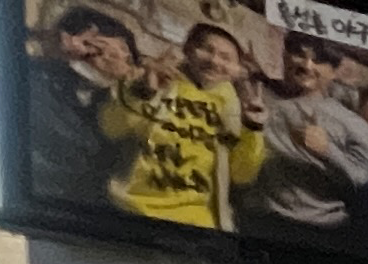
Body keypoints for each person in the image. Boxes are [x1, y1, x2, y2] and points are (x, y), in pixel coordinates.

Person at [102, 22, 266, 230]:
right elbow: (111, 129)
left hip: (200, 223)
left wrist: (252, 128)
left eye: (226, 58)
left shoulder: (232, 105)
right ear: (188, 48)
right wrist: (145, 92)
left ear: (236, 70)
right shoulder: (151, 78)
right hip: (133, 210)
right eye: (207, 49)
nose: (214, 61)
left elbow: (242, 174)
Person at [253, 33, 368, 247]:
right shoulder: (258, 95)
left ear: (333, 71)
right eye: (298, 54)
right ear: (285, 56)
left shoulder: (352, 124)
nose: (306, 65)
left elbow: (363, 182)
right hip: (260, 220)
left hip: (322, 233)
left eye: (319, 60)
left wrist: (327, 150)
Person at [27, 1, 141, 210]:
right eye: (123, 48)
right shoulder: (35, 79)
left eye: (130, 57)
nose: (126, 59)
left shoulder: (110, 108)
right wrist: (48, 44)